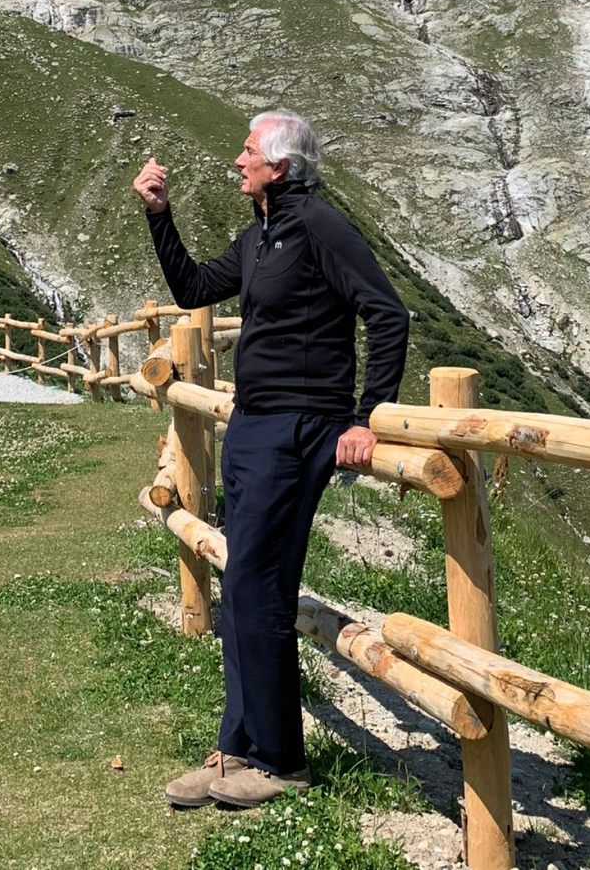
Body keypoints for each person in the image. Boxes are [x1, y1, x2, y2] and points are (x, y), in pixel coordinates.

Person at [133, 110, 409, 809]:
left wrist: (363, 414)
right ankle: (238, 749)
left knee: (257, 581)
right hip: (255, 424)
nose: (237, 159)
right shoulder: (260, 234)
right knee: (242, 585)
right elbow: (194, 288)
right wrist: (160, 214)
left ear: (280, 166)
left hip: (301, 425)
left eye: (249, 151)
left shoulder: (317, 224)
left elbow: (387, 312)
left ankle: (281, 759)